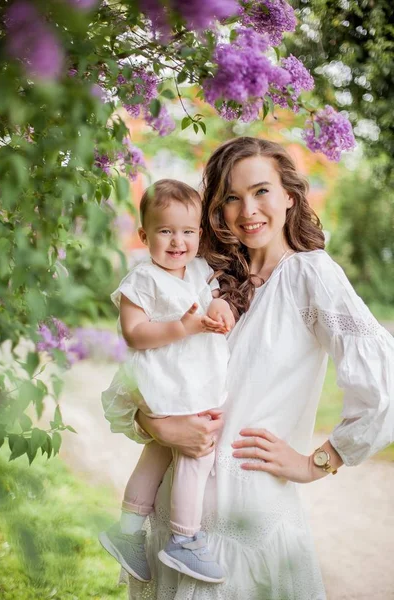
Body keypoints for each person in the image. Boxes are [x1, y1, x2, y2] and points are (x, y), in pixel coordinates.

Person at [107, 138, 394, 600]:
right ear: (216, 211)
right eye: (232, 198)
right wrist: (158, 425)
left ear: (290, 197)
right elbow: (144, 372)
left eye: (261, 191)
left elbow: (383, 382)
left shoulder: (310, 275)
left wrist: (316, 462)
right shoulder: (201, 277)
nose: (248, 210)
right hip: (174, 528)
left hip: (251, 532)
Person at [100, 179, 235, 585]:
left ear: (199, 234)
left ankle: (126, 531)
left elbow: (211, 297)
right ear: (144, 236)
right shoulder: (142, 280)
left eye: (188, 232)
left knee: (160, 452)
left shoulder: (197, 269)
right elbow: (134, 333)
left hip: (188, 375)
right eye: (165, 231)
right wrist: (181, 327)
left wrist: (220, 305)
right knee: (197, 451)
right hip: (166, 379)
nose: (178, 241)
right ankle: (185, 539)